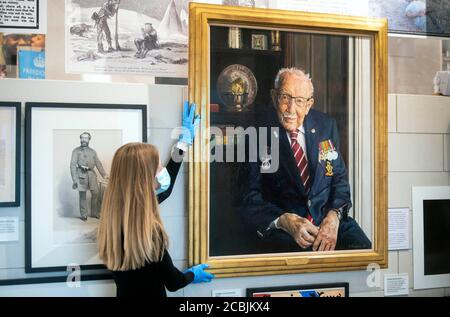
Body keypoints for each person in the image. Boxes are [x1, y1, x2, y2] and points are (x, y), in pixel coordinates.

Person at [236, 67, 371, 253]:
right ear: (274, 97)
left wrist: (334, 216)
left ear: (309, 105)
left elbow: (338, 179)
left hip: (326, 219)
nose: (291, 109)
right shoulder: (256, 132)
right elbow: (248, 198)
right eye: (285, 98)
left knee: (364, 249)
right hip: (286, 227)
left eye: (299, 101)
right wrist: (284, 221)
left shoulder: (325, 126)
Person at [97, 102, 213, 297]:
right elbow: (174, 282)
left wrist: (182, 145)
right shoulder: (149, 231)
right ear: (144, 179)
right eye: (159, 169)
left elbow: (163, 192)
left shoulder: (114, 217)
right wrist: (192, 274)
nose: (162, 172)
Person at [70, 132, 108, 221]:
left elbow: (98, 164)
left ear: (89, 139)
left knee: (95, 193)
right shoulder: (76, 151)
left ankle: (94, 213)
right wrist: (74, 179)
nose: (83, 140)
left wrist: (104, 175)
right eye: (82, 138)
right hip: (81, 176)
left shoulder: (93, 151)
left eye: (86, 138)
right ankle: (84, 215)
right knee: (82, 195)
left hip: (92, 175)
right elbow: (72, 165)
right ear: (80, 139)